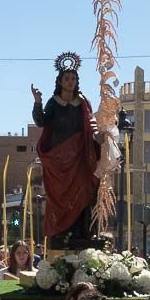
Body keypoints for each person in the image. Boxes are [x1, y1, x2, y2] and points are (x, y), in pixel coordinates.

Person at [32, 60, 100, 248]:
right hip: (59, 157)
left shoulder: (83, 102)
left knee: (81, 192)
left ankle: (80, 232)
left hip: (79, 155)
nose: (70, 81)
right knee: (60, 196)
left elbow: (90, 124)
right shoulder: (54, 102)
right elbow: (41, 122)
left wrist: (98, 137)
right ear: (60, 81)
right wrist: (37, 102)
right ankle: (62, 232)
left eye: (73, 78)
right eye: (67, 78)